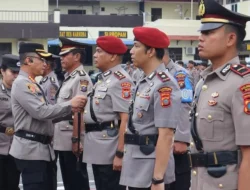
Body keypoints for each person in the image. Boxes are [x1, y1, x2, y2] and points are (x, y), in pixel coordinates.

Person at [9, 42, 87, 190]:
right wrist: (70, 104)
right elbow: (41, 112)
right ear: (28, 60)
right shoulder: (22, 84)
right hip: (31, 150)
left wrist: (72, 112)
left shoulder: (31, 83)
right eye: (41, 60)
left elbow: (47, 115)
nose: (45, 64)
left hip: (41, 149)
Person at [190, 0, 250, 190]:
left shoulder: (242, 83)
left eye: (208, 33)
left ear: (231, 39)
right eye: (201, 32)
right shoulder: (204, 82)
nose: (201, 38)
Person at [119, 27, 182, 190]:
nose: (131, 51)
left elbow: (166, 135)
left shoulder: (164, 84)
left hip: (150, 170)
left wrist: (158, 179)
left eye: (136, 46)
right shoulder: (143, 80)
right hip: (137, 165)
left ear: (151, 51)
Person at [76, 36, 133, 190]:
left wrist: (120, 154)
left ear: (113, 56)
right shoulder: (104, 78)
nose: (94, 55)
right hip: (97, 147)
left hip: (110, 149)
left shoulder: (121, 80)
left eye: (99, 51)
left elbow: (125, 119)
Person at [53, 37, 92, 190]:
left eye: (65, 55)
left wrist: (76, 139)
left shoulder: (81, 78)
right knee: (69, 180)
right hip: (63, 138)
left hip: (72, 139)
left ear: (76, 57)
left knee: (77, 182)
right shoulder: (70, 77)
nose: (61, 58)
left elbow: (80, 111)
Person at [163, 49, 193, 190]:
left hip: (174, 138)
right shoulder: (147, 73)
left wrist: (181, 138)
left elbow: (184, 105)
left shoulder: (179, 74)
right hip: (160, 136)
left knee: (178, 181)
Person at [0, 54, 20, 190]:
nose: (16, 76)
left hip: (16, 147)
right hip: (0, 145)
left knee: (13, 185)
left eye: (18, 73)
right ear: (2, 71)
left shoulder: (21, 92)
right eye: (13, 72)